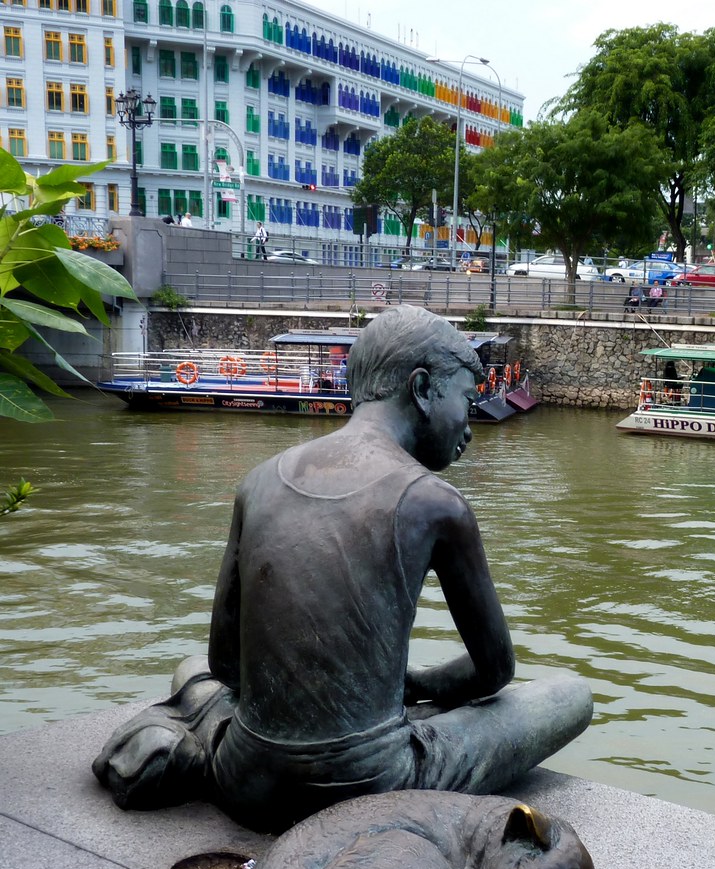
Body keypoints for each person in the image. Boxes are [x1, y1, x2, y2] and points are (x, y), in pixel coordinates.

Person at [93, 305, 592, 832]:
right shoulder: (436, 502)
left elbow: (224, 663)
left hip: (247, 781)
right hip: (371, 787)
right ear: (422, 389)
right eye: (465, 400)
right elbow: (494, 671)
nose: (468, 425)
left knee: (191, 668)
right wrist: (418, 684)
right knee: (569, 696)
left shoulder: (258, 480)